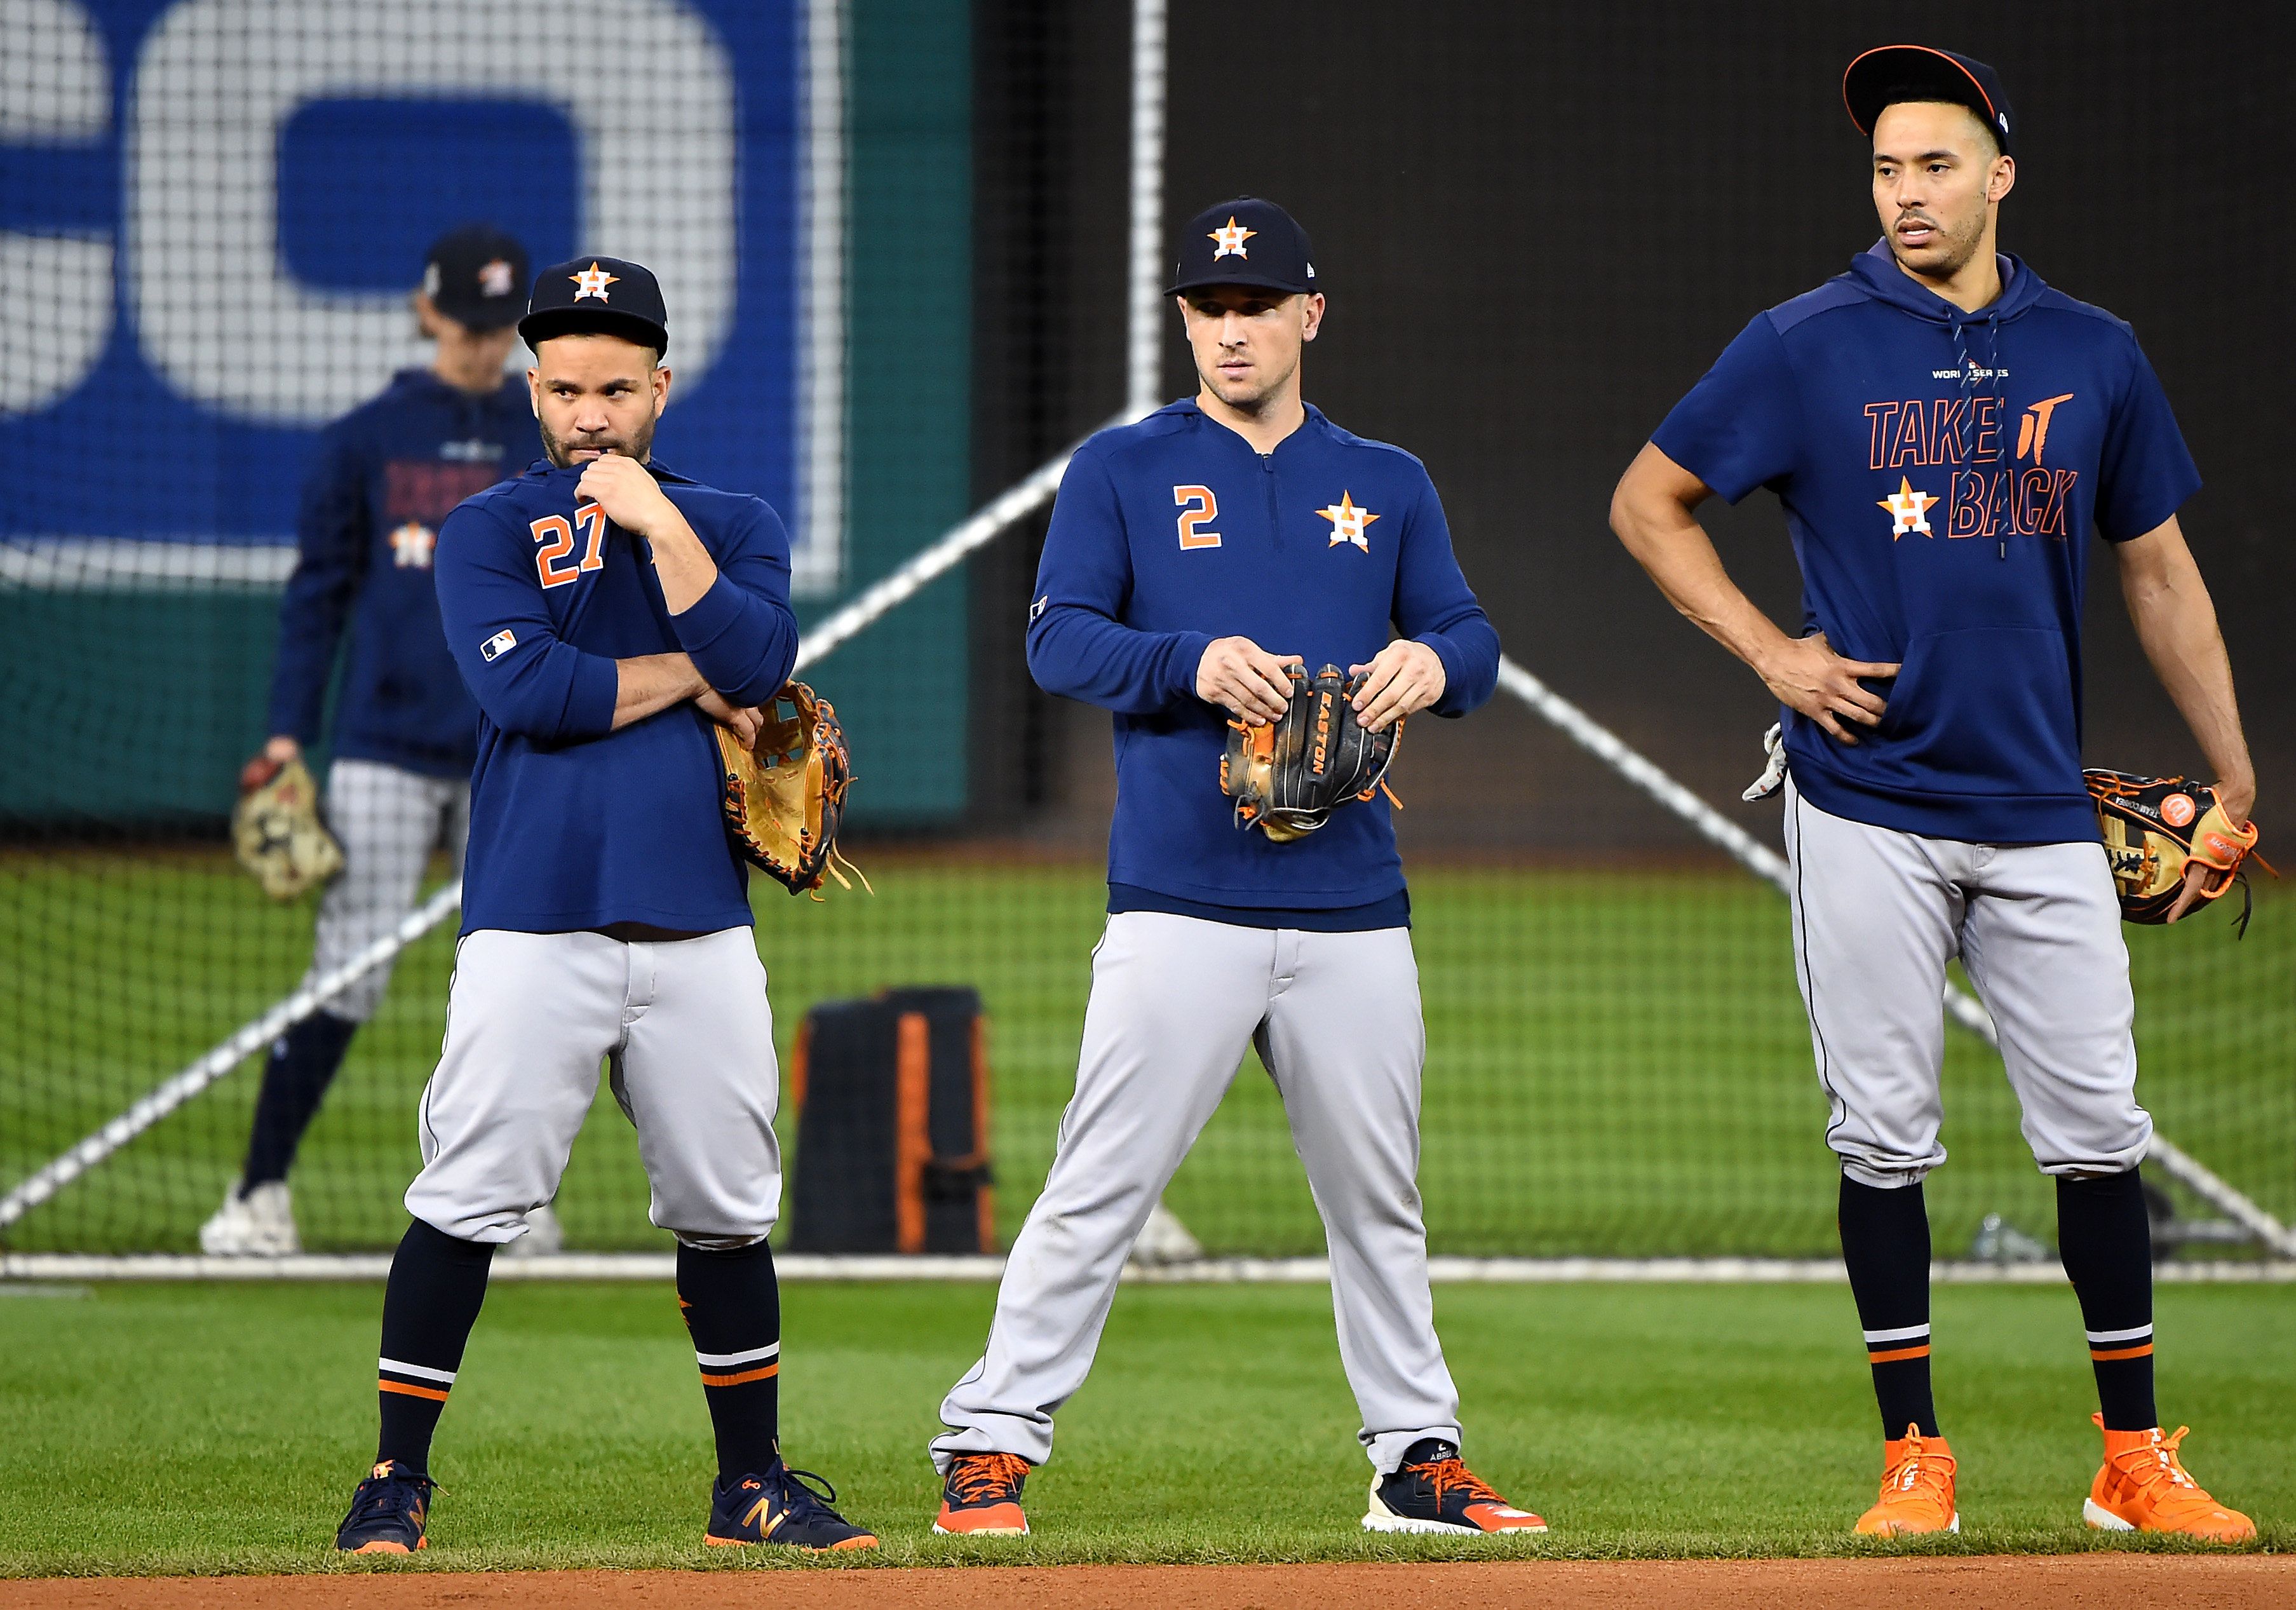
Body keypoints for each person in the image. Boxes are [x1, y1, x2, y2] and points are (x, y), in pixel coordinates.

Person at [1609, 48, 2259, 1540]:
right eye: (1887, 168)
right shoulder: (1804, 342)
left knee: (2100, 1129)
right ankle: (1914, 1452)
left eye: (1935, 165)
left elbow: (2156, 569)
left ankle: (2132, 1457)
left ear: (1997, 177)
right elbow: (1648, 501)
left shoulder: (2095, 351)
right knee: (1883, 1138)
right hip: (1865, 805)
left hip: (2039, 810)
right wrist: (1771, 650)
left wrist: (2230, 769)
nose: (1907, 192)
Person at [929, 198, 1539, 1539]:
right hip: (1180, 896)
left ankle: (1416, 1458)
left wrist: (1437, 664)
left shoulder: (1385, 480)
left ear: (1309, 314)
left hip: (1352, 900)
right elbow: (1057, 642)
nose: (1231, 329)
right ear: (1185, 322)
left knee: (1378, 1198)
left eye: (1256, 305)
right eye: (1208, 308)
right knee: (1102, 1180)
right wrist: (1187, 661)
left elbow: (1471, 639)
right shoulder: (1122, 469)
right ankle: (987, 1441)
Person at [330, 255, 874, 1553]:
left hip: (698, 921)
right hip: (532, 914)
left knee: (728, 1203)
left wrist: (660, 529)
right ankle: (395, 1477)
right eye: (565, 387)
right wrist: (692, 674)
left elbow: (761, 662)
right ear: (534, 393)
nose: (588, 412)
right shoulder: (482, 529)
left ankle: (751, 1484)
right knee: (467, 1194)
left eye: (615, 389)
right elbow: (532, 699)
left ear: (659, 389)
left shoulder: (732, 522)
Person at [202, 225, 564, 1258]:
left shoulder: (543, 434)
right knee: (347, 970)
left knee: (530, 973)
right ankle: (258, 1192)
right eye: (470, 324)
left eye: (502, 329)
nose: (485, 347)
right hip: (385, 746)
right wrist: (285, 733)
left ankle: (515, 1201)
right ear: (426, 311)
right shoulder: (365, 436)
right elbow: (316, 596)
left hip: (514, 741)